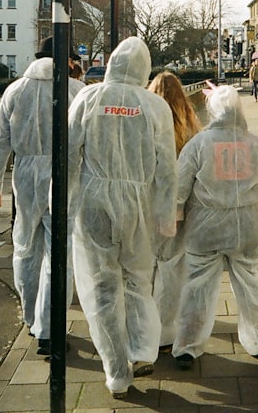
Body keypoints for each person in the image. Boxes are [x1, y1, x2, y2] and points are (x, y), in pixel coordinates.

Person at [67, 37, 178, 399]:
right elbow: (167, 169)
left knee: (101, 288)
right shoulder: (155, 105)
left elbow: (67, 156)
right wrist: (165, 215)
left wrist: (63, 204)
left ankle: (116, 372)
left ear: (112, 62)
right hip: (139, 203)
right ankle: (143, 349)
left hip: (94, 200)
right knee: (137, 279)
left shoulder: (88, 97)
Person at [0, 36, 84, 356]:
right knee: (59, 255)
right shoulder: (75, 91)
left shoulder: (15, 90)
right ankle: (50, 328)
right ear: (66, 60)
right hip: (65, 175)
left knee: (25, 248)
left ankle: (31, 318)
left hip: (25, 176)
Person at [171, 84, 258, 370]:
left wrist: (176, 217)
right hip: (248, 223)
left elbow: (180, 188)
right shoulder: (255, 143)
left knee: (198, 286)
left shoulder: (199, 144)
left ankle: (188, 347)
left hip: (206, 224)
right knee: (249, 281)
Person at [147, 71, 202, 352]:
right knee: (172, 267)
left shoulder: (146, 120)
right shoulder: (190, 125)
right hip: (178, 208)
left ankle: (143, 327)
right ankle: (165, 330)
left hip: (146, 204)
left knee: (146, 267)